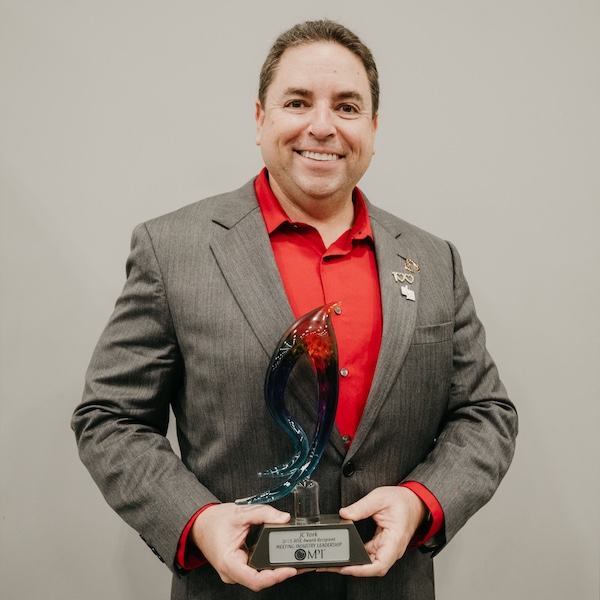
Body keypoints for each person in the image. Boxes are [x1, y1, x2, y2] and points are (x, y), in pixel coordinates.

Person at [72, 19, 517, 600]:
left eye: (347, 107)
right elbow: (110, 417)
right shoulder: (173, 249)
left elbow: (485, 412)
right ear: (260, 119)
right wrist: (196, 521)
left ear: (373, 129)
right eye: (298, 102)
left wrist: (421, 502)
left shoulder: (434, 260)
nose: (323, 126)